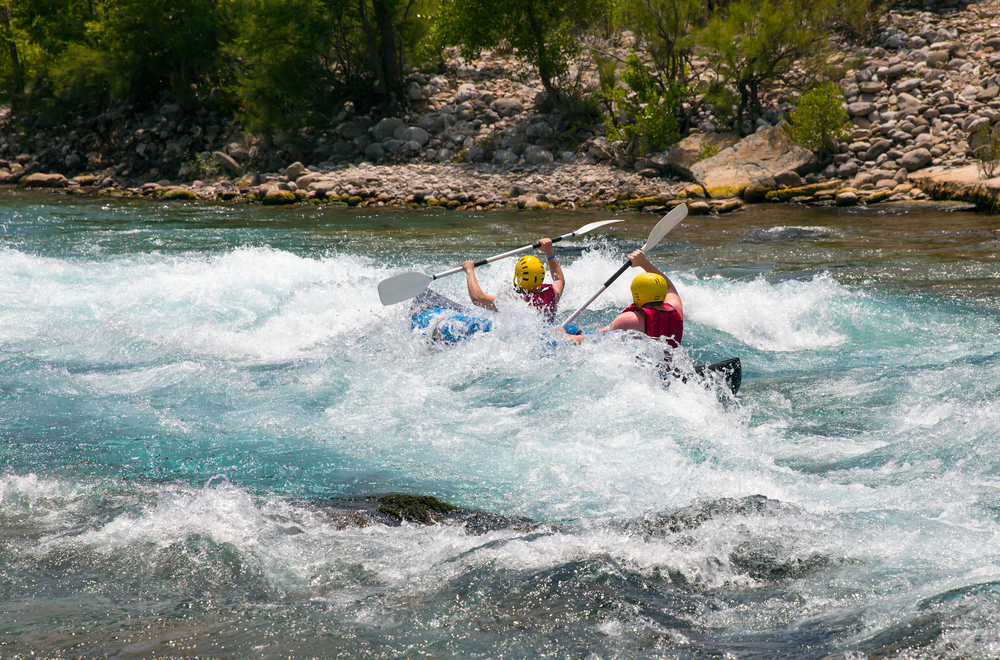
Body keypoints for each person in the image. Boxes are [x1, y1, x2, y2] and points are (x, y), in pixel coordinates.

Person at [559, 249, 683, 346]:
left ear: (637, 295)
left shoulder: (630, 319)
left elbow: (593, 341)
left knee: (570, 329)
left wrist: (564, 337)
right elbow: (670, 288)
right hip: (671, 372)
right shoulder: (676, 311)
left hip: (643, 374)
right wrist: (645, 263)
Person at [461, 237, 565, 323]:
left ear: (518, 277)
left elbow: (477, 299)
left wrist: (470, 271)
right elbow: (559, 278)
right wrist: (549, 251)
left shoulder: (515, 300)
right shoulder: (553, 292)